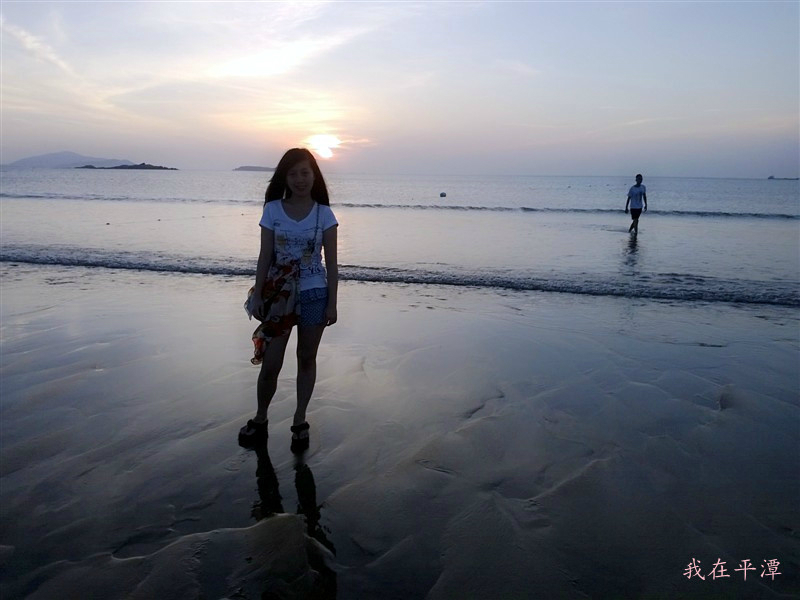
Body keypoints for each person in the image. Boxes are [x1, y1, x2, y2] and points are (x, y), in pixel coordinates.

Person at [239, 148, 338, 453]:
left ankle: (299, 420)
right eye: (293, 173)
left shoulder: (324, 214)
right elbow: (265, 256)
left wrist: (332, 303)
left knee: (306, 358)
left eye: (305, 172)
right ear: (285, 177)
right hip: (279, 294)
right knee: (271, 363)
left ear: (314, 175)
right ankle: (261, 417)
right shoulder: (272, 210)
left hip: (314, 294)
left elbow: (333, 265)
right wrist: (258, 294)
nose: (299, 179)